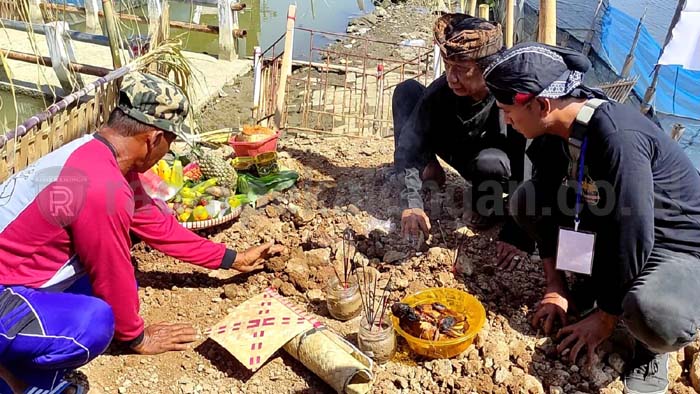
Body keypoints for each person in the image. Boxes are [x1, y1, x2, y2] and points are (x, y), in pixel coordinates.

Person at [0, 72, 284, 394]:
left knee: (123, 290)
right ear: (153, 139)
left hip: (15, 277)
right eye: (170, 142)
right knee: (95, 324)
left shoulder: (99, 157)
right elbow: (110, 270)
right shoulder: (100, 186)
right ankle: (18, 380)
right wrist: (137, 337)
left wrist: (233, 258)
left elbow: (159, 227)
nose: (167, 151)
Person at [483, 42, 700, 394]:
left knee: (653, 313)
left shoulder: (617, 138)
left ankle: (648, 347)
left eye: (507, 110)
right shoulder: (553, 131)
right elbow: (547, 201)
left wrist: (606, 317)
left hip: (676, 245)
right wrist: (555, 287)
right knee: (528, 200)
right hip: (616, 226)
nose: (506, 119)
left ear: (541, 104)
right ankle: (592, 289)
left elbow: (633, 232)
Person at [392, 13, 532, 265]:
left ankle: (486, 205)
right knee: (407, 92)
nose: (451, 78)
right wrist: (411, 202)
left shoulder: (511, 102)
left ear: (487, 69)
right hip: (453, 146)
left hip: (489, 163)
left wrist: (517, 233)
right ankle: (430, 169)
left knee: (490, 163)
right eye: (448, 67)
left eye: (461, 70)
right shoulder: (440, 93)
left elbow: (529, 171)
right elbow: (407, 147)